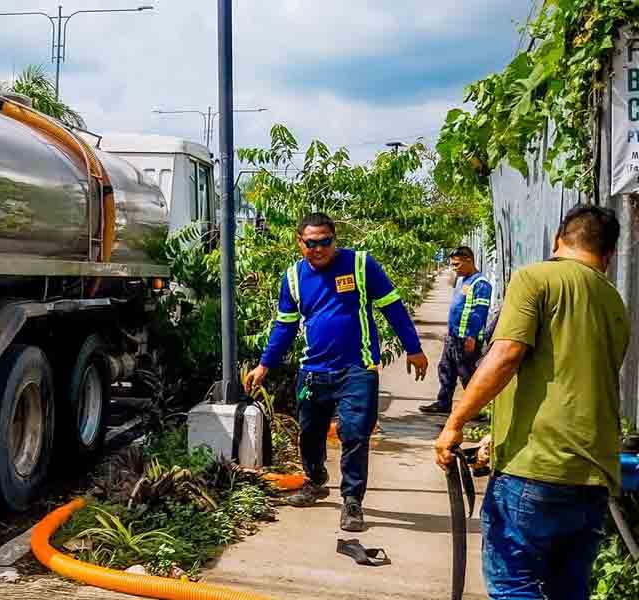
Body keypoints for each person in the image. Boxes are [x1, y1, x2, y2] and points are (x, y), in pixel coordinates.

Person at [434, 205, 629, 600]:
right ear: (608, 256)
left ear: (558, 239)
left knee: (513, 583)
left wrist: (455, 422)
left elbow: (505, 355)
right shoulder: (613, 301)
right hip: (592, 474)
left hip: (535, 468)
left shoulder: (535, 278)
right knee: (568, 588)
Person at [244, 212, 429, 532]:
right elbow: (284, 328)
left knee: (355, 434)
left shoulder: (360, 265)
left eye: (325, 242)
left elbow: (393, 307)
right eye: (311, 243)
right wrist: (265, 364)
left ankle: (352, 501)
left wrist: (413, 347)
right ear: (300, 242)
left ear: (335, 239)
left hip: (357, 369)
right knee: (310, 434)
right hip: (313, 371)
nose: (318, 249)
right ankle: (316, 481)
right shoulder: (292, 277)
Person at [420, 247, 493, 415]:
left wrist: (471, 336)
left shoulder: (480, 283)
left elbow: (478, 312)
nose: (454, 268)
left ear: (469, 261)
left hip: (466, 338)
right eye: (452, 265)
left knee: (467, 375)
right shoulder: (462, 280)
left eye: (457, 265)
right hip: (453, 337)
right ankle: (443, 403)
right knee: (446, 369)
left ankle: (475, 410)